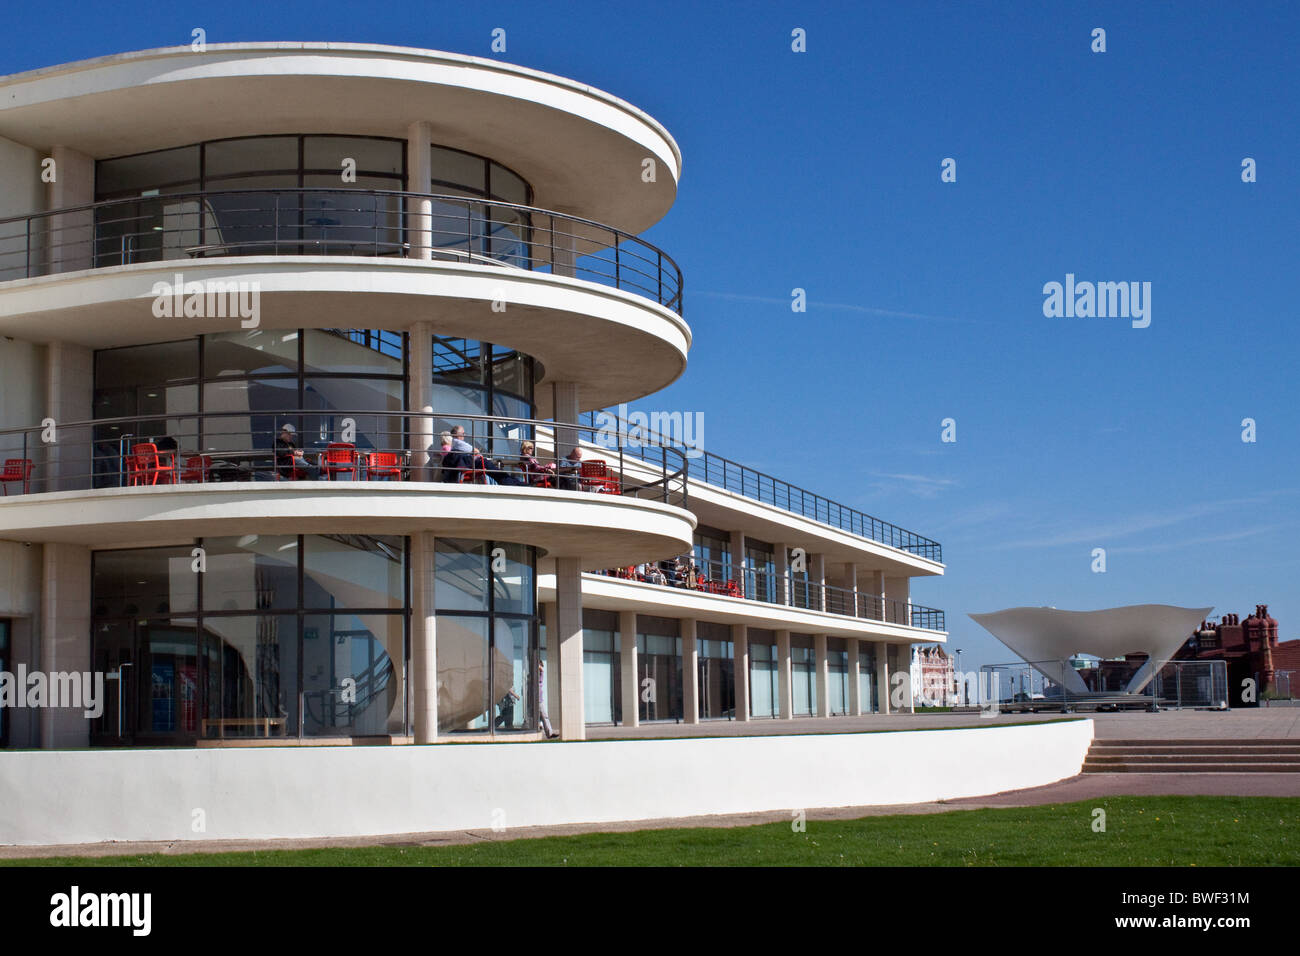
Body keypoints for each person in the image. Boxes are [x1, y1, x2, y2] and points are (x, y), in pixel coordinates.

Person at [537, 661, 557, 738]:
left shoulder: (539, 676)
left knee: (543, 716)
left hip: (539, 699)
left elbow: (542, 670)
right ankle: (549, 733)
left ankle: (549, 733)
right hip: (537, 700)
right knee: (544, 716)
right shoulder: (535, 675)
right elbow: (541, 669)